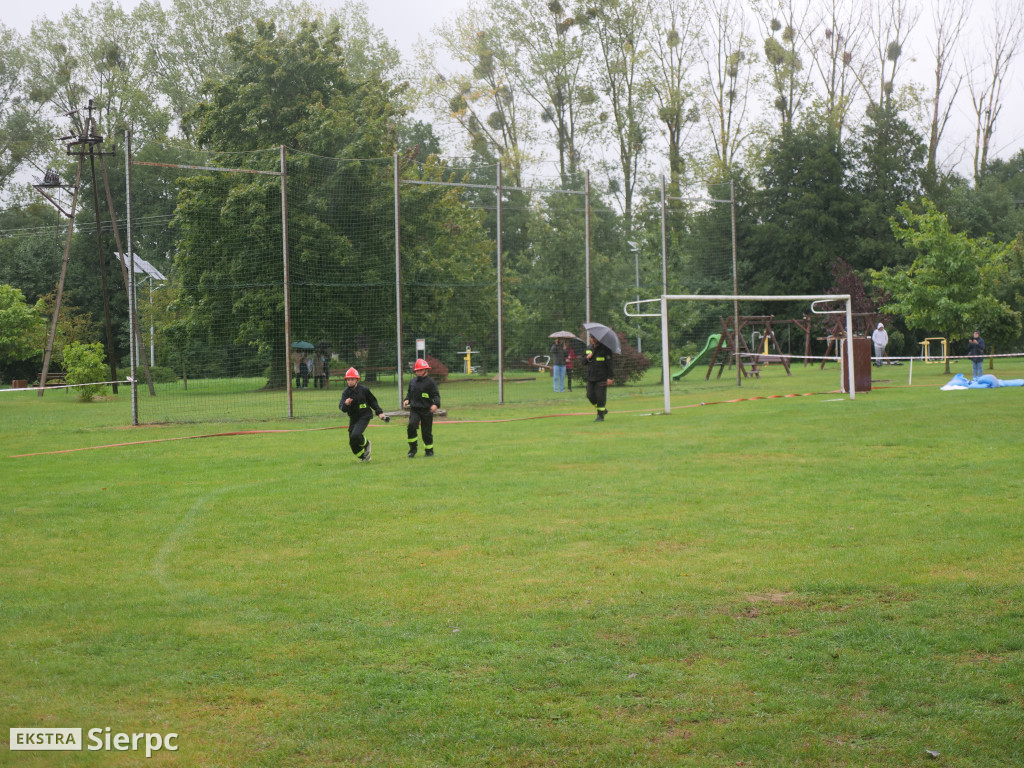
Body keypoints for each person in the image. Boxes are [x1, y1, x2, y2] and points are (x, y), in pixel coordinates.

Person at [339, 366, 388, 462]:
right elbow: (342, 408)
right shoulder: (345, 393)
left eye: (352, 379)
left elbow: (373, 402)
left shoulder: (364, 390)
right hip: (353, 418)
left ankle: (366, 444)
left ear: (357, 380)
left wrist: (380, 413)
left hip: (364, 416)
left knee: (356, 435)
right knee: (352, 442)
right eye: (348, 379)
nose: (350, 381)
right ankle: (364, 457)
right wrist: (346, 404)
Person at [404, 358, 440, 457]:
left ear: (426, 370)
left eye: (420, 370)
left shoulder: (431, 383)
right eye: (417, 370)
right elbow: (409, 393)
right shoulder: (412, 382)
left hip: (427, 411)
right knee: (411, 426)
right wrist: (407, 400)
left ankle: (429, 450)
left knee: (426, 432)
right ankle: (412, 449)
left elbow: (436, 395)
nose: (418, 372)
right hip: (415, 409)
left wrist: (435, 404)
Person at [584, 334, 614, 422]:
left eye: (594, 337)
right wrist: (587, 357)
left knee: (600, 397)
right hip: (591, 377)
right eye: (591, 337)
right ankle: (603, 410)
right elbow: (582, 362)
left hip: (602, 377)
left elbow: (610, 364)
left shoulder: (605, 349)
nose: (592, 339)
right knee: (590, 396)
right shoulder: (589, 348)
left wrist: (610, 377)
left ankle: (600, 416)